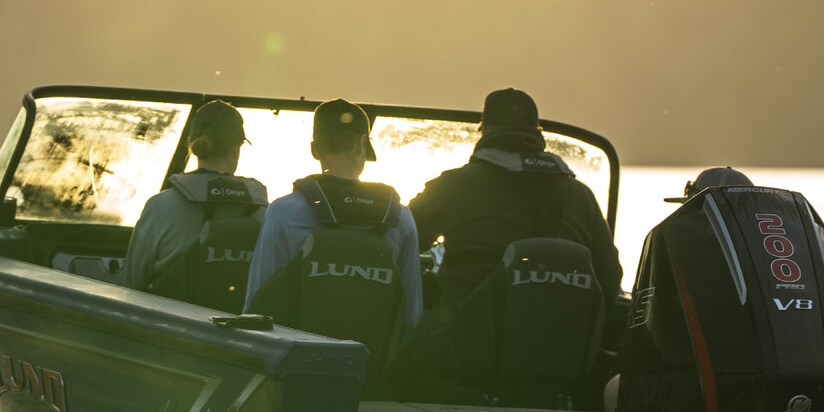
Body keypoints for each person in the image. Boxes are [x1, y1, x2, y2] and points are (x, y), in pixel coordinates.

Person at [408, 87, 623, 313]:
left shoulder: (453, 185)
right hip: (562, 341)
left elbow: (401, 240)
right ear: (537, 133)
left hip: (468, 341)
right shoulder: (581, 195)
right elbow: (609, 279)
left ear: (485, 131)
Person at [243, 98, 423, 346]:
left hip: (294, 365)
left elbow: (257, 307)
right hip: (368, 371)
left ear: (314, 149)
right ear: (362, 144)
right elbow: (411, 318)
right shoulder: (400, 219)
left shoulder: (283, 213)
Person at [125, 100, 268, 301]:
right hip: (237, 330)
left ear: (192, 144)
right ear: (237, 148)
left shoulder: (160, 205)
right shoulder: (263, 211)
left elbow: (135, 281)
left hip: (171, 327)